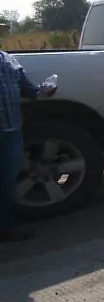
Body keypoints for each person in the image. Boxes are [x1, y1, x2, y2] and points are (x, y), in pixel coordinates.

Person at [1, 22, 57, 242]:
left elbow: (30, 91)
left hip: (11, 129)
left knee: (7, 179)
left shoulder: (8, 60)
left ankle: (5, 225)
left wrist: (45, 90)